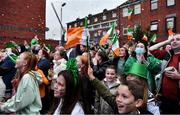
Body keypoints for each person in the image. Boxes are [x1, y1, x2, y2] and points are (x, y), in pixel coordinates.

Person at [149, 34, 180, 114]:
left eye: (178, 39)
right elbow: (151, 49)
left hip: (177, 102)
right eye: (173, 40)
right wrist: (167, 41)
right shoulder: (168, 55)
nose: (174, 41)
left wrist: (178, 76)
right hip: (164, 99)